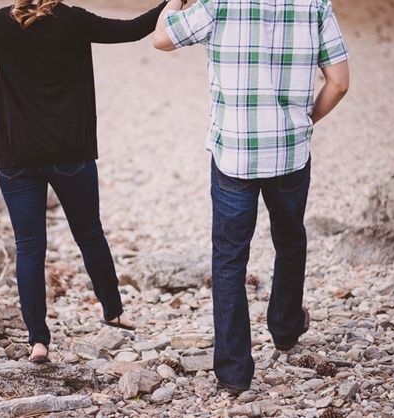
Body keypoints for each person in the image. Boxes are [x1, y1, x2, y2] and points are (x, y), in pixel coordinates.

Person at [0, 0, 169, 363]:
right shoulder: (72, 19)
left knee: (29, 247)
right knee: (89, 233)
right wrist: (173, 2)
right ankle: (113, 311)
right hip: (70, 152)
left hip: (17, 157)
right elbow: (134, 29)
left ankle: (38, 341)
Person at [153, 0, 349, 393]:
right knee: (291, 240)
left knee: (228, 259)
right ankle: (286, 328)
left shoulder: (219, 3)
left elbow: (161, 38)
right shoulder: (315, 5)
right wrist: (303, 122)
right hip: (290, 152)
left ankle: (234, 373)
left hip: (235, 155)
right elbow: (340, 82)